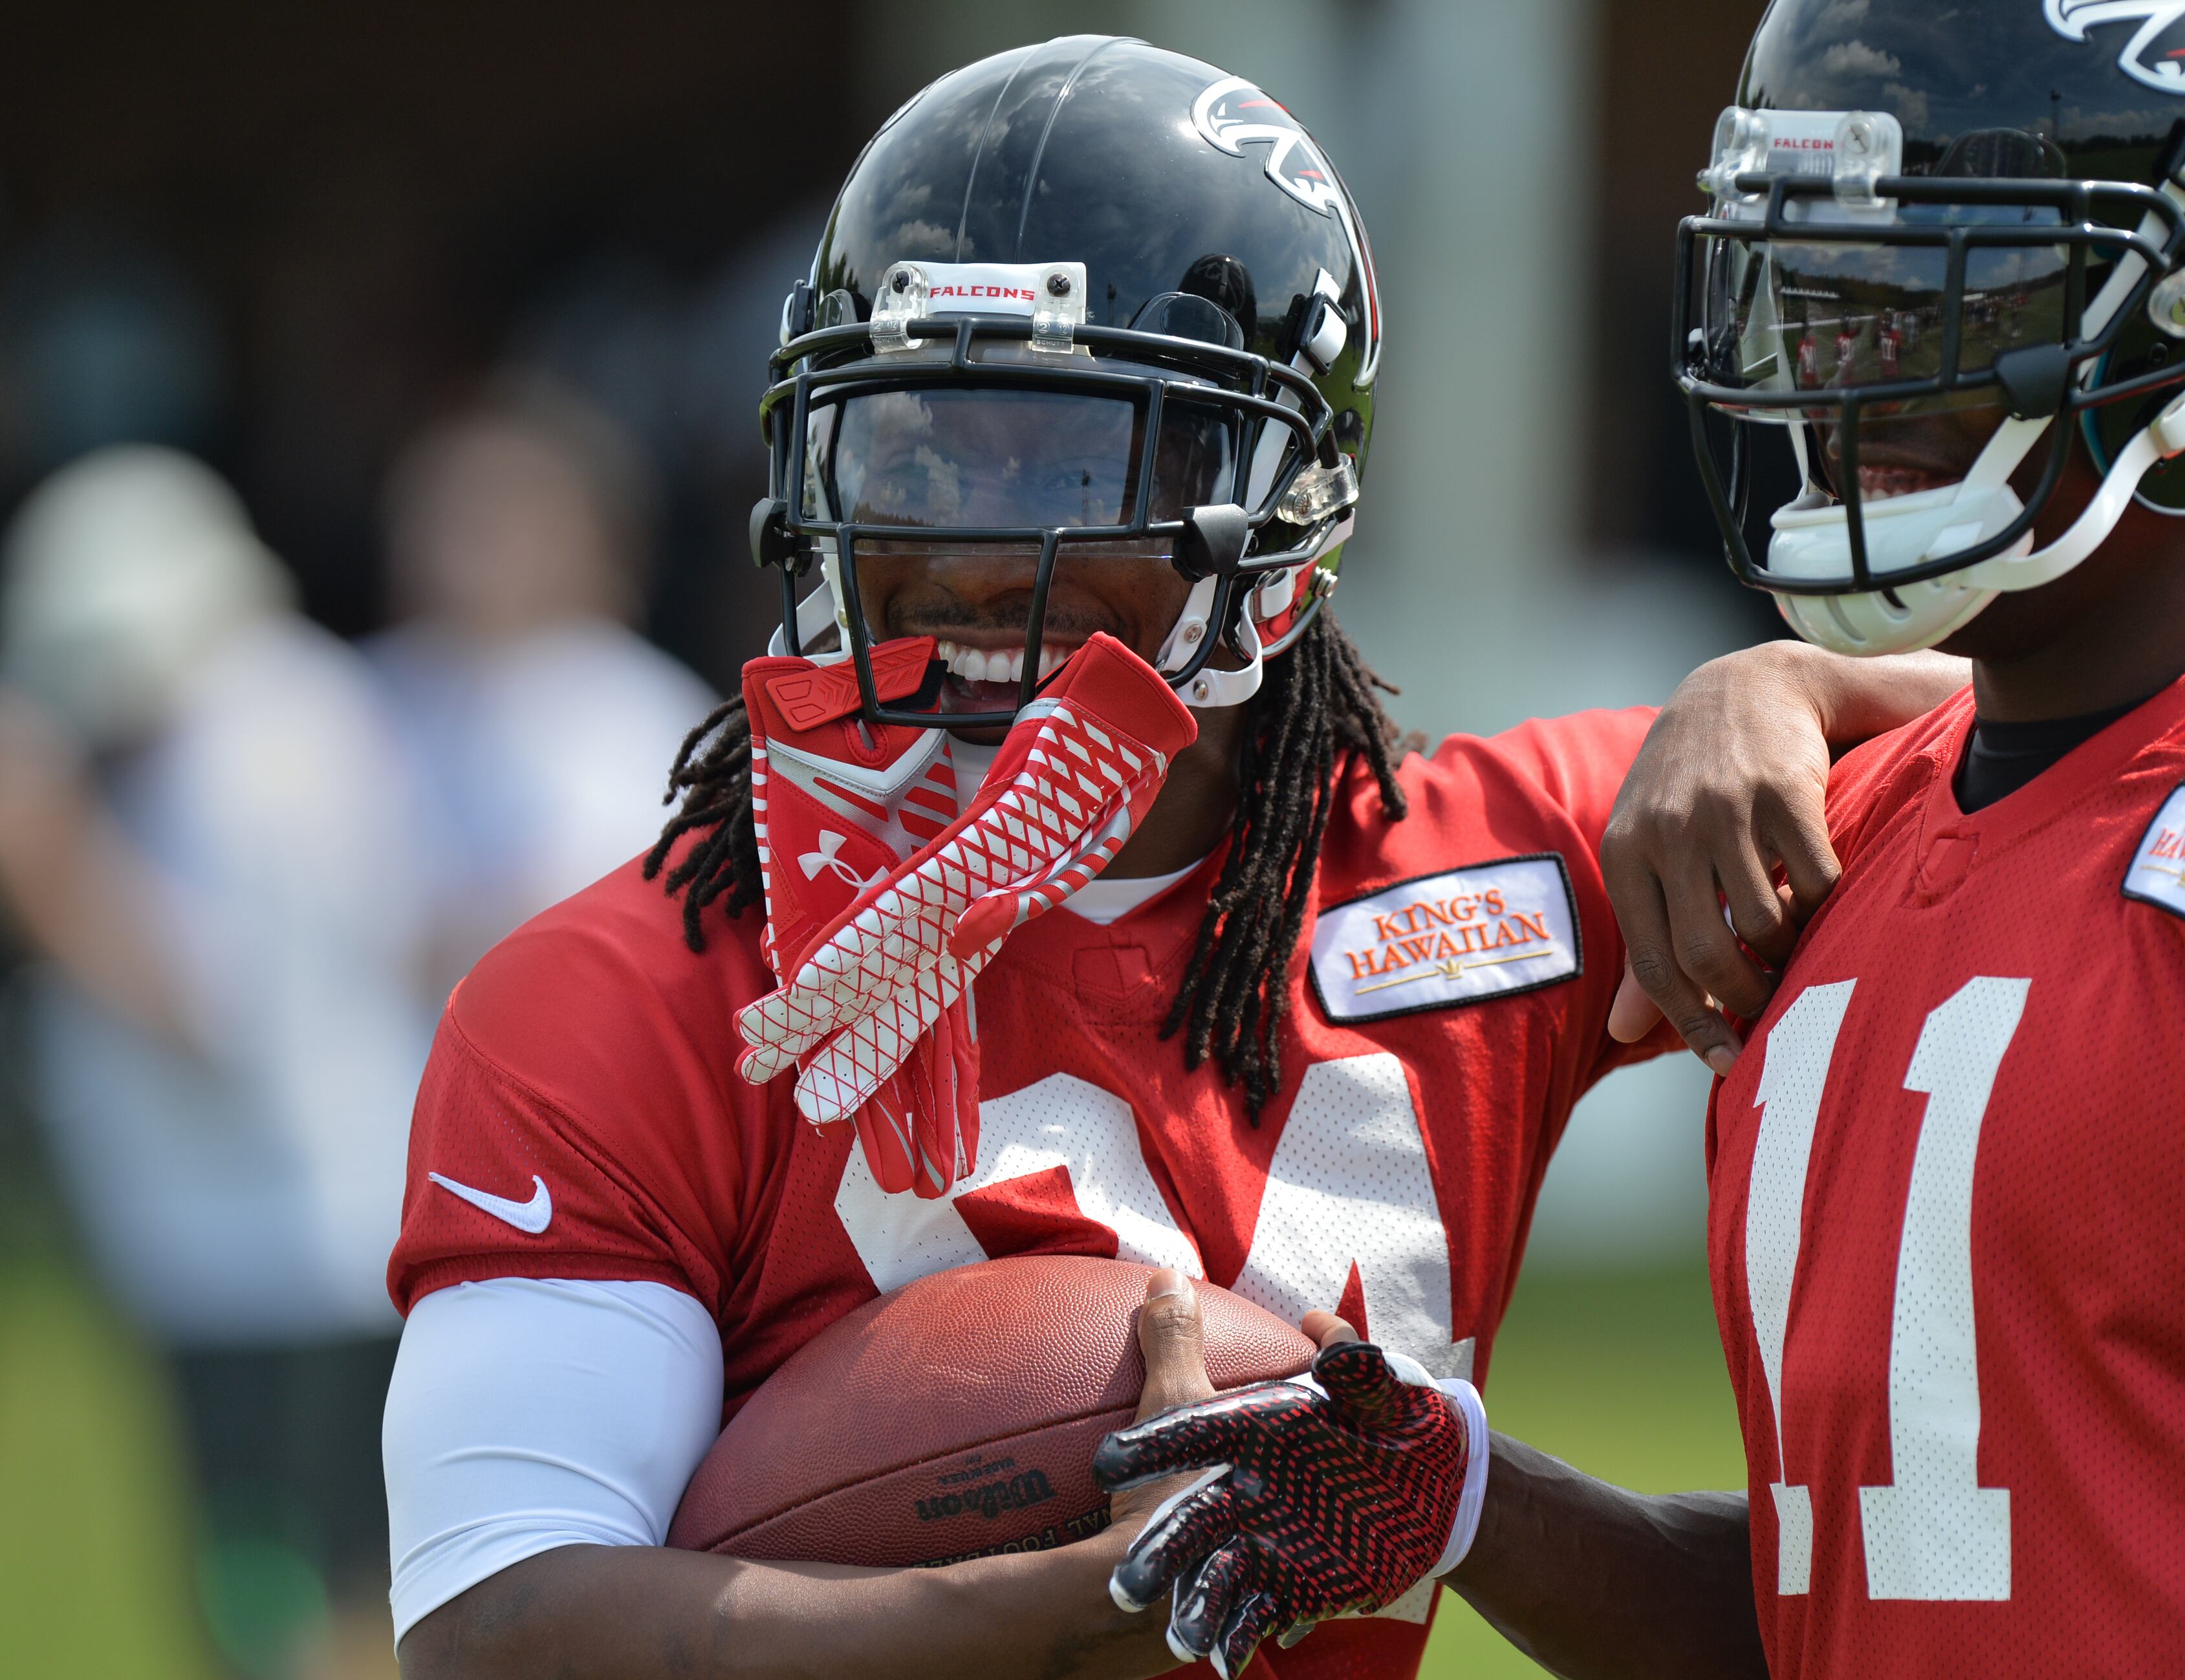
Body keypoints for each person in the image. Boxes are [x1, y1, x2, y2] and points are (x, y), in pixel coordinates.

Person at [378, 36, 1966, 1680]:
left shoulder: (1489, 869)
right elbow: (500, 1628)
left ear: (1283, 505)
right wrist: (1068, 1607)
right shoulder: (628, 990)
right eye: (917, 449)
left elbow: (2047, 766)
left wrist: (1772, 686)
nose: (971, 550)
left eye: (1074, 458)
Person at [1096, 2, 2185, 1676]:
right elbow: (1878, 1590)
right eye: (1819, 289)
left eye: (1950, 292)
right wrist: (1464, 1501)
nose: (1847, 367)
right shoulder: (1835, 834)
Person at [0, 446, 431, 1675]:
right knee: (259, 1595)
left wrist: (45, 860)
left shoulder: (264, 748)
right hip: (233, 1253)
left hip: (291, 1258)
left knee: (315, 1604)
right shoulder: (253, 717)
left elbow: (213, 1018)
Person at [365, 380, 716, 1001]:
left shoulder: (643, 711)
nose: (470, 541)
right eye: (451, 506)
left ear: (598, 539)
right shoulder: (361, 687)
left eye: (511, 509)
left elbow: (596, 931)